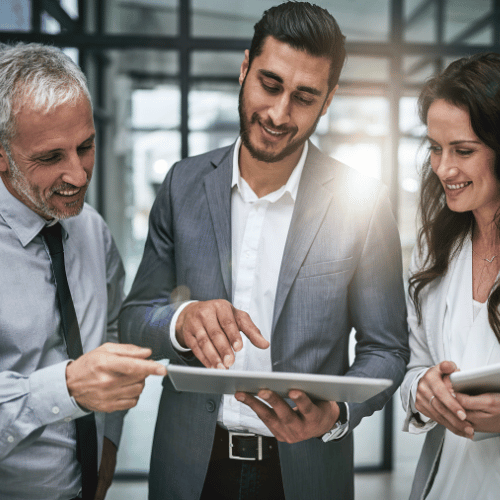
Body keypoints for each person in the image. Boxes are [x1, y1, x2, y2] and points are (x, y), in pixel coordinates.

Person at [119, 2, 409, 499]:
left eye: (304, 97)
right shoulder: (182, 183)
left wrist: (337, 414)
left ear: (328, 100)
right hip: (190, 467)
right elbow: (133, 319)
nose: (278, 114)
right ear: (244, 68)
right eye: (269, 85)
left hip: (306, 472)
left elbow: (386, 349)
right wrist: (180, 320)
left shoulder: (363, 202)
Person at [0, 43, 167, 500]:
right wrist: (68, 386)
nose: (78, 174)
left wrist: (109, 442)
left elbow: (110, 330)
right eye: (51, 158)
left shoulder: (90, 229)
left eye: (86, 146)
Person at [401, 52, 500, 500]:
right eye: (435, 149)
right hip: (446, 484)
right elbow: (412, 359)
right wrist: (421, 390)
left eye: (463, 151)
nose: (443, 169)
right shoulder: (435, 247)